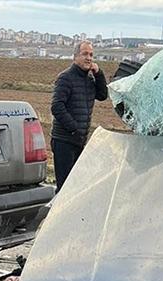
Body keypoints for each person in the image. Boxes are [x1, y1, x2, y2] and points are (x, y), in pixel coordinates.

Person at [50, 40, 109, 192]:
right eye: (84, 54)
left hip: (79, 141)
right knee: (64, 188)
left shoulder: (89, 79)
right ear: (75, 56)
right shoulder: (65, 78)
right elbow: (57, 107)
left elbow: (102, 95)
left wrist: (99, 73)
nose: (89, 58)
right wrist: (74, 128)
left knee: (76, 187)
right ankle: (56, 215)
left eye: (91, 55)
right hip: (64, 140)